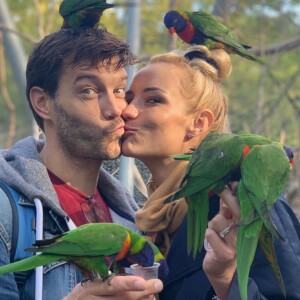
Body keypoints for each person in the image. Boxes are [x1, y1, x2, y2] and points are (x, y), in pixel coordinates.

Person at [121, 45, 300, 299]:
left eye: (153, 100)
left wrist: (226, 280)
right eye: (128, 99)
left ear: (198, 124)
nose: (127, 111)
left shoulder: (246, 203)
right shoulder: (149, 223)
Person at [0, 27, 163, 299]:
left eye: (120, 90)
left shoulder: (134, 219)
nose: (116, 109)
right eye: (88, 90)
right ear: (43, 103)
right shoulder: (6, 212)